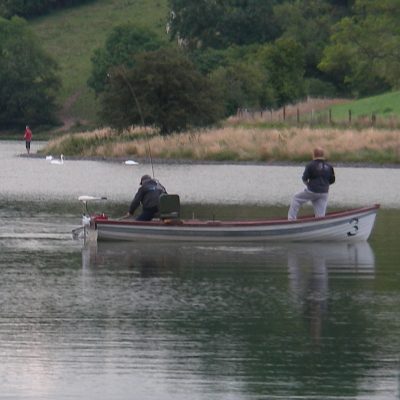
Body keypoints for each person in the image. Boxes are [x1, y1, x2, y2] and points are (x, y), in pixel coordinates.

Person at [288, 147, 335, 220]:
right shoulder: (329, 166)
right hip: (324, 192)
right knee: (320, 215)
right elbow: (332, 180)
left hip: (312, 190)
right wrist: (324, 185)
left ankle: (291, 220)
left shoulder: (310, 165)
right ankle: (319, 225)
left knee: (296, 198)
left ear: (314, 155)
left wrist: (309, 185)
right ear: (323, 155)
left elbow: (304, 179)